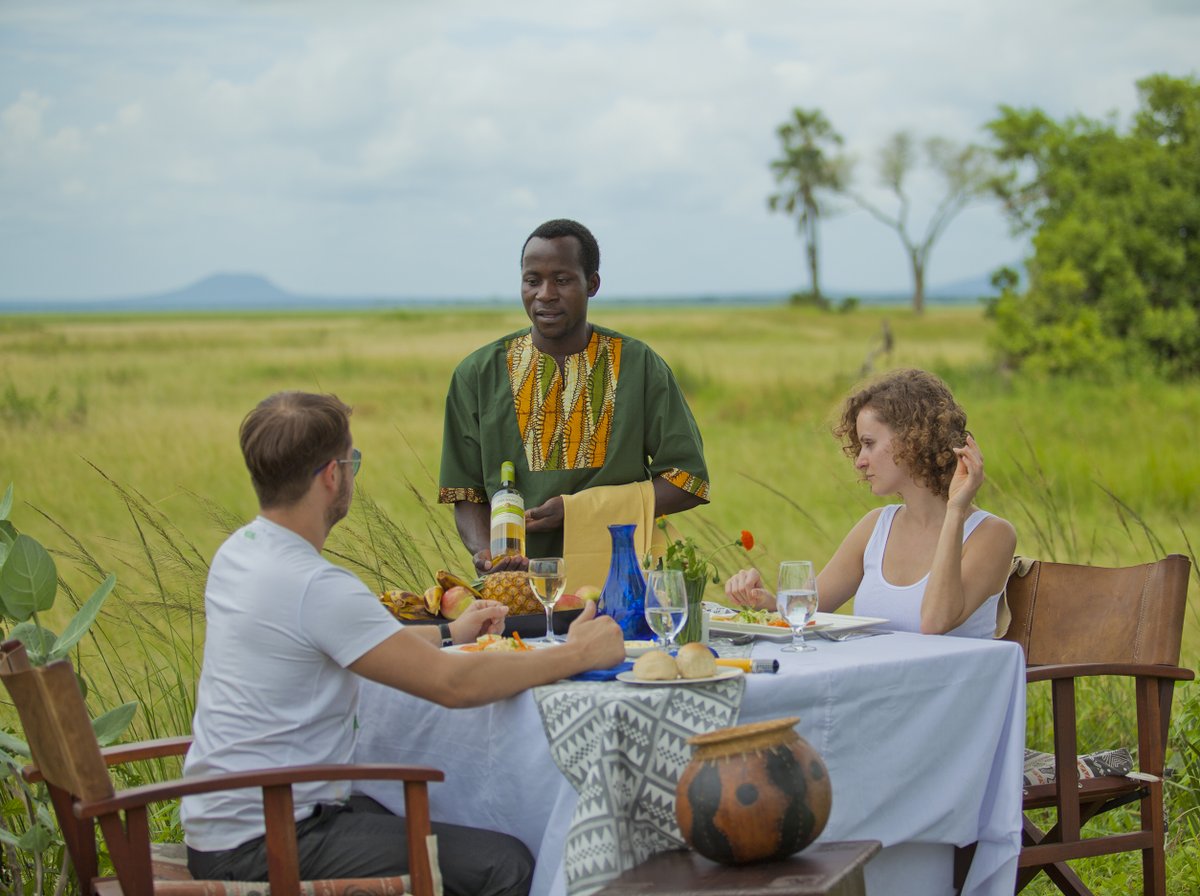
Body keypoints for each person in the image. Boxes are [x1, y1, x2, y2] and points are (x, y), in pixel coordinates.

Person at [181, 391, 625, 895]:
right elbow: (452, 685)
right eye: (352, 462)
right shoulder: (316, 586)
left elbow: (355, 640)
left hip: (225, 821)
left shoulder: (241, 552)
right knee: (506, 863)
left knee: (406, 808)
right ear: (332, 475)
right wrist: (580, 653)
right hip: (272, 839)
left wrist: (447, 633)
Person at [439, 218, 710, 573]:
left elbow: (688, 481)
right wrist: (487, 554)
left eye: (562, 280)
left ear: (592, 284)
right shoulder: (477, 375)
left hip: (625, 582)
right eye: (532, 280)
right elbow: (467, 493)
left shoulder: (638, 365)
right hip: (520, 585)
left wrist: (579, 510)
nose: (545, 294)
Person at [725, 369, 1016, 637]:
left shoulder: (992, 535)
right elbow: (808, 610)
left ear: (911, 440)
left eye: (869, 443)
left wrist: (956, 510)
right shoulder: (876, 526)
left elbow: (935, 622)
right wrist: (764, 601)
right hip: (879, 688)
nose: (860, 462)